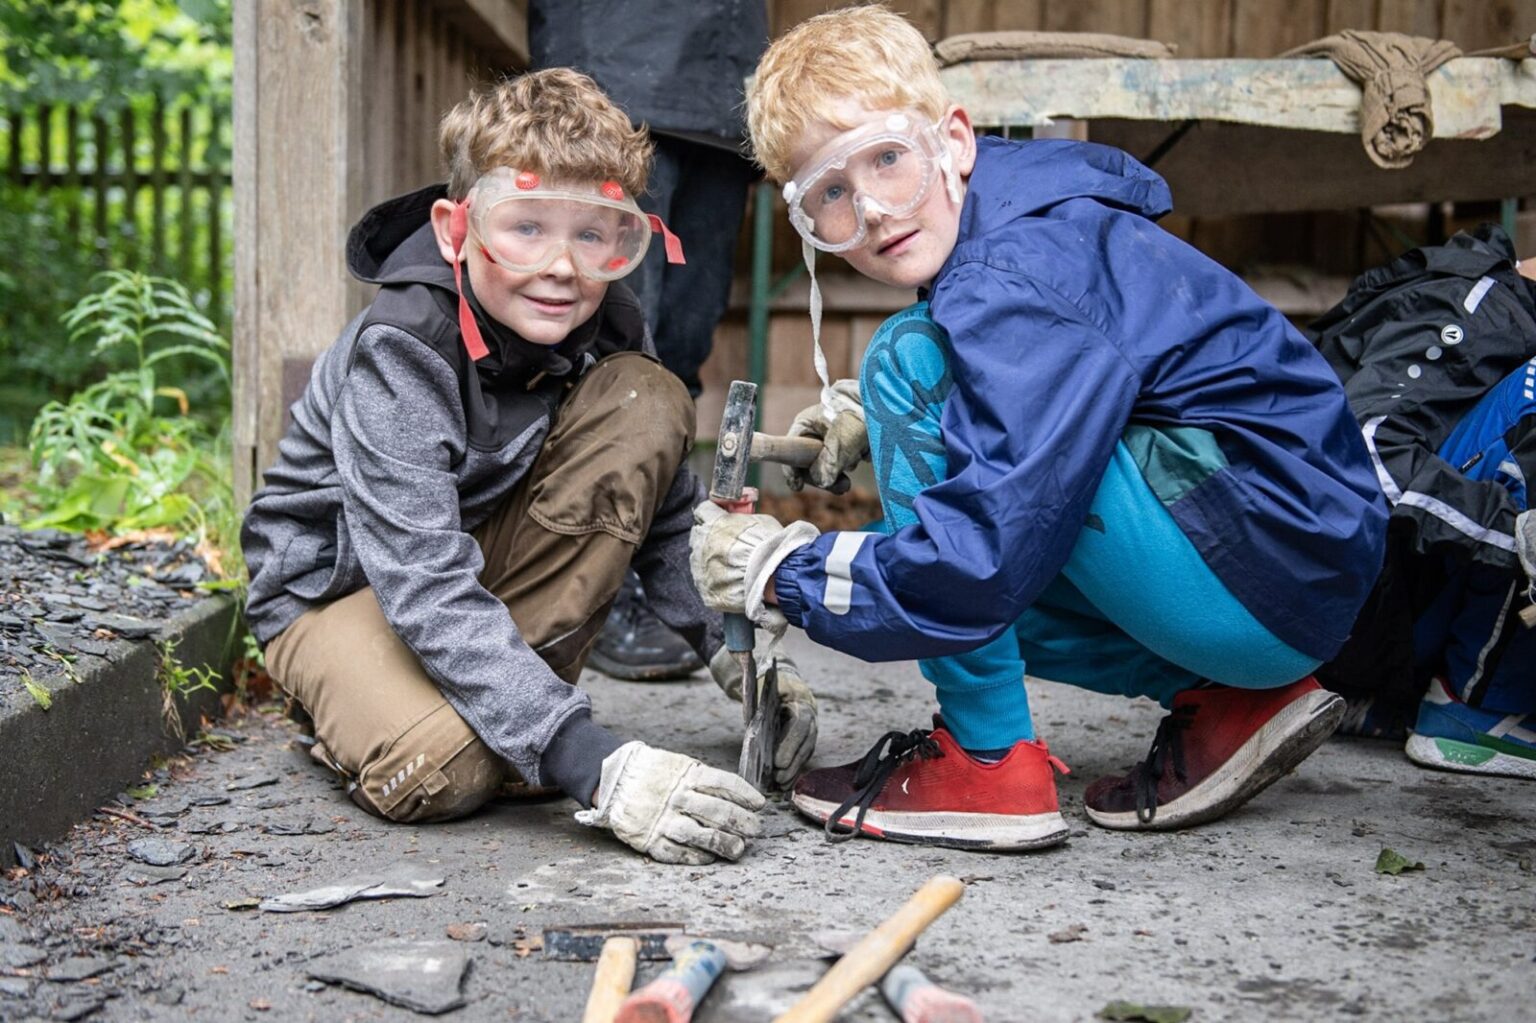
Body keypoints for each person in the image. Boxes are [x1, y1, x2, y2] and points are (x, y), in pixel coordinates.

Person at [690, 4, 1390, 851]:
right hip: (1289, 579)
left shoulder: (1011, 269)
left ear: (954, 141)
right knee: (944, 480)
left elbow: (980, 558)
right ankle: (1230, 700)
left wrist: (785, 573)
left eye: (886, 159)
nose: (870, 210)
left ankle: (985, 761)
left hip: (1263, 559)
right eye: (829, 194)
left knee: (907, 364)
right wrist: (884, 433)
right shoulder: (1030, 225)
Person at [239, 69, 816, 865]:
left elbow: (665, 516)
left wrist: (736, 654)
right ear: (455, 230)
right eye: (526, 227)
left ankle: (507, 704)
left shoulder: (608, 318)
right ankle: (367, 701)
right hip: (342, 590)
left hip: (472, 560)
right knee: (449, 768)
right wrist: (598, 765)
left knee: (644, 398)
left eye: (593, 235)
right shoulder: (403, 347)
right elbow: (422, 579)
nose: (562, 267)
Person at [528, 0, 771, 683]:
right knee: (620, 348)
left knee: (684, 347)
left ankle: (667, 577)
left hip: (723, 91)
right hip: (614, 67)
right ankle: (601, 587)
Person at [1309, 225, 1536, 779]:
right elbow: (1360, 462)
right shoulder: (1473, 304)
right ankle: (1479, 706)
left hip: (1378, 628)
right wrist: (1518, 535)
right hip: (1349, 624)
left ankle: (1399, 698)